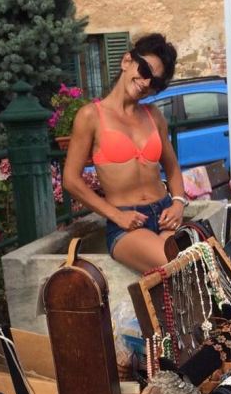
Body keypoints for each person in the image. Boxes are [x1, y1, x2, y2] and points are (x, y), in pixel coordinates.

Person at [63, 33, 188, 273]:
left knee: (200, 261)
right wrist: (116, 215)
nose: (146, 83)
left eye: (156, 83)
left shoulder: (154, 115)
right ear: (126, 61)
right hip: (127, 224)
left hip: (164, 214)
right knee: (177, 265)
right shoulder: (91, 116)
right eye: (145, 70)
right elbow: (70, 179)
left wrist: (178, 204)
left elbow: (172, 168)